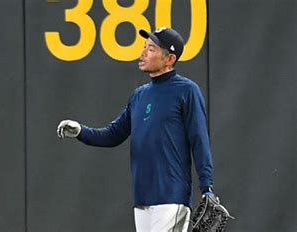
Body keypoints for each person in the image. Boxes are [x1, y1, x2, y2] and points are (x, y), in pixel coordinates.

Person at [57, 27, 214, 232]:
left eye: (150, 49)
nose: (142, 53)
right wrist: (80, 131)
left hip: (171, 197)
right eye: (144, 47)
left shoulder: (186, 91)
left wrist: (207, 187)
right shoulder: (140, 95)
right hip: (142, 198)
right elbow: (113, 135)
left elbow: (199, 140)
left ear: (170, 59)